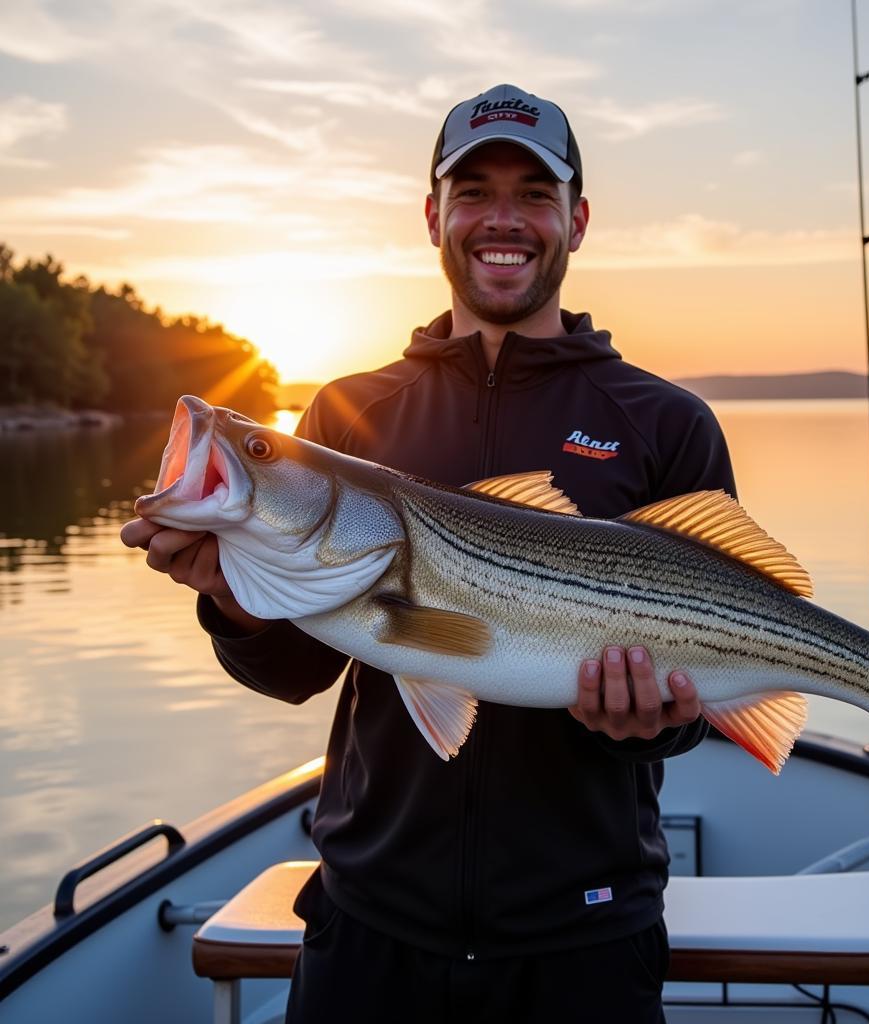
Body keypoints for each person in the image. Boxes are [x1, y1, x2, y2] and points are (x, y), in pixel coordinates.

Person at [122, 84, 735, 1023]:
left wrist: (658, 721)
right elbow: (299, 672)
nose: (503, 219)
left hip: (584, 937)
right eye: (474, 189)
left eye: (534, 194)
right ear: (433, 216)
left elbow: (708, 688)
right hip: (372, 928)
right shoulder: (348, 414)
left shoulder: (664, 423)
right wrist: (235, 599)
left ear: (576, 219)